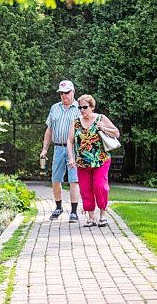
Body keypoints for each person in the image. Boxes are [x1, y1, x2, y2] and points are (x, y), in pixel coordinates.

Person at [66, 94, 120, 227]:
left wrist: (104, 128)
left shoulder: (101, 118)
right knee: (85, 189)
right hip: (82, 161)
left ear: (92, 107)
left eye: (85, 107)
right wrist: (71, 158)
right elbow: (70, 141)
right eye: (80, 107)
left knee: (99, 186)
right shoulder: (76, 122)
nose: (82, 110)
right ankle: (91, 217)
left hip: (100, 160)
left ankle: (103, 214)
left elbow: (116, 133)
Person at [40, 80, 81, 222]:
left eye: (66, 93)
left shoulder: (79, 108)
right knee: (56, 179)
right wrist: (44, 149)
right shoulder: (54, 108)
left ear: (73, 92)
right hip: (58, 147)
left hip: (74, 149)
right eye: (61, 93)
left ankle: (74, 212)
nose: (64, 96)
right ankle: (58, 207)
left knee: (74, 180)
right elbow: (49, 129)